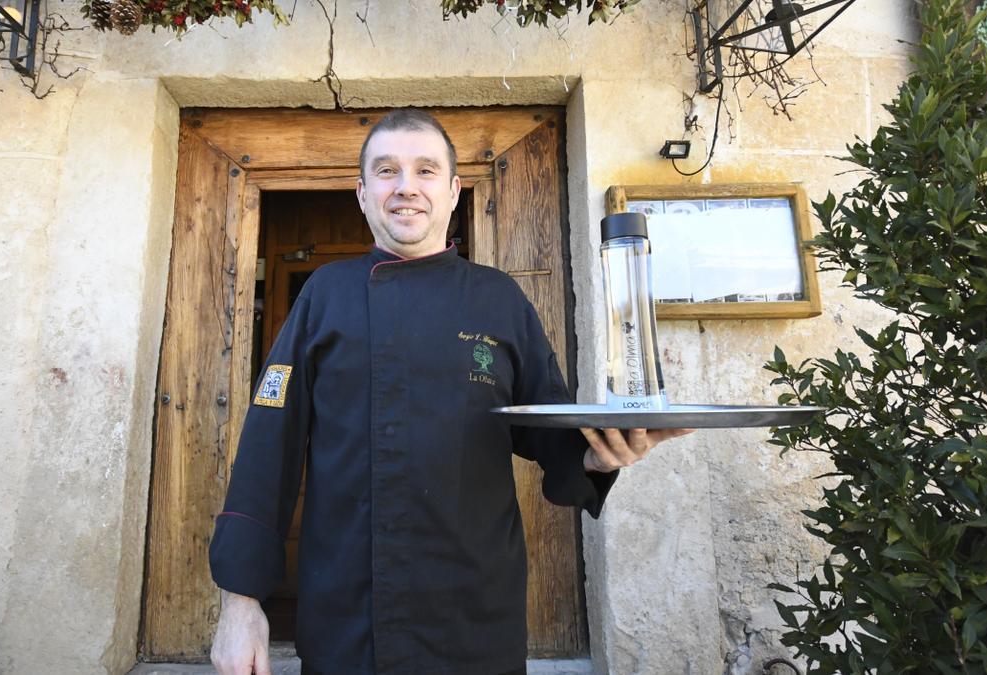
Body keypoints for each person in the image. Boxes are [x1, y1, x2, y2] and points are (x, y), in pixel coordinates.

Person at [208, 109, 692, 675]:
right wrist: (240, 603)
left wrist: (602, 450)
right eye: (386, 171)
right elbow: (270, 447)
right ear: (362, 194)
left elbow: (551, 432)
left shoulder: (499, 300)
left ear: (455, 190)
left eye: (426, 170)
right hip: (347, 618)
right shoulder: (325, 294)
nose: (406, 187)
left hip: (474, 617)